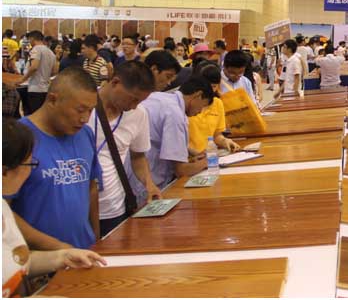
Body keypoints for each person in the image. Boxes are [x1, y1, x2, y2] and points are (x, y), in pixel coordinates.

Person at [2, 120, 106, 297]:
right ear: (5, 172)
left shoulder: (4, 209)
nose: (30, 172)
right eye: (30, 164)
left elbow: (17, 260)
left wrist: (62, 257)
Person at [10, 68, 102, 249]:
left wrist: (97, 240)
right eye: (80, 110)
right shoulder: (19, 139)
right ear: (52, 99)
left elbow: (91, 187)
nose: (85, 118)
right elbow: (4, 211)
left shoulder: (85, 134)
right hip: (38, 258)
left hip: (83, 252)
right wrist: (58, 248)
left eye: (90, 110)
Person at [88, 61, 161, 237]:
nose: (134, 106)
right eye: (133, 99)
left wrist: (149, 184)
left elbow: (138, 156)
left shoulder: (138, 114)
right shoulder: (83, 107)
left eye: (140, 101)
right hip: (79, 208)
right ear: (115, 82)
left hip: (114, 208)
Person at [129, 77, 215, 204]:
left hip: (134, 173)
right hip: (148, 182)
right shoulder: (175, 113)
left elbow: (161, 138)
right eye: (202, 106)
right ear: (198, 95)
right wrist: (209, 161)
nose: (199, 112)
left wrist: (191, 154)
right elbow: (181, 170)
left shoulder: (160, 97)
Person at [188, 61, 241, 156]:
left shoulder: (217, 103)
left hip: (209, 156)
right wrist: (196, 154)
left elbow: (216, 135)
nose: (209, 90)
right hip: (190, 158)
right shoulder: (187, 104)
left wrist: (225, 141)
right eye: (206, 85)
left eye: (213, 86)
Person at [22, 30, 56, 115]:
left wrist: (22, 80)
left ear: (32, 39)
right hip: (46, 89)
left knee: (34, 115)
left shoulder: (36, 49)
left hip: (35, 88)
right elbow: (54, 71)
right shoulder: (51, 52)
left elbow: (34, 67)